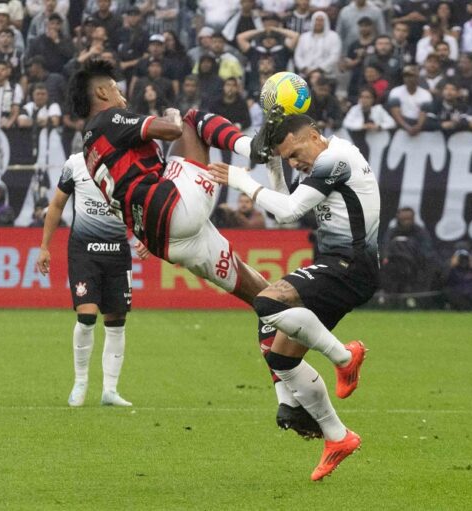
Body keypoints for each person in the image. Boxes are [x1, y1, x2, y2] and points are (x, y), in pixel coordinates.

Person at [65, 58, 323, 439]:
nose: (121, 95)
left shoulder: (90, 145)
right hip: (174, 209)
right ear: (102, 92)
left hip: (170, 240)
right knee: (189, 118)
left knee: (269, 301)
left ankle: (289, 401)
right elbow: (169, 130)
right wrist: (170, 116)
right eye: (117, 88)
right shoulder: (108, 120)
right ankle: (254, 147)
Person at [208, 111, 380, 481]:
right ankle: (337, 436)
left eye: (295, 154)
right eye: (288, 159)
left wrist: (241, 180)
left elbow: (287, 209)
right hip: (338, 265)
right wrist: (273, 170)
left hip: (350, 265)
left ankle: (343, 356)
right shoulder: (321, 160)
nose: (295, 163)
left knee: (268, 302)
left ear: (314, 135)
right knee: (279, 354)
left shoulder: (337, 158)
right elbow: (286, 213)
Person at [36, 153, 150, 407]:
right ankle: (80, 382)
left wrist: (146, 237)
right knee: (86, 316)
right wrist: (44, 246)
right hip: (83, 251)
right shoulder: (74, 163)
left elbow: (143, 204)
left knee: (116, 321)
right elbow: (56, 205)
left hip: (117, 252)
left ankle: (110, 390)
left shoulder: (129, 163)